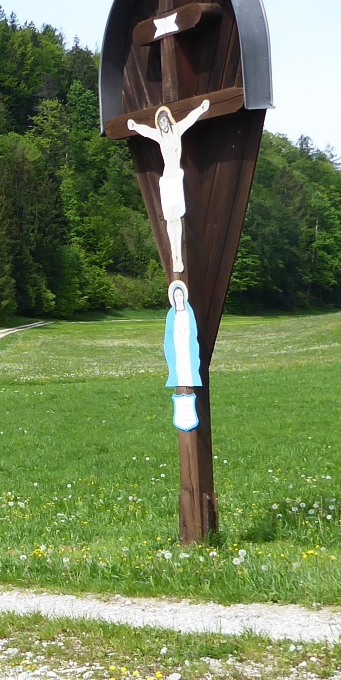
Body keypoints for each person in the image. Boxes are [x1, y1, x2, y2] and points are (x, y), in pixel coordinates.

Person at [126, 99, 208, 276]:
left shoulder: (177, 130)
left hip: (176, 177)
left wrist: (201, 109)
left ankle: (179, 256)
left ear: (169, 120)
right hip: (167, 181)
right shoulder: (160, 136)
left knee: (176, 219)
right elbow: (146, 132)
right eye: (160, 123)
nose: (163, 125)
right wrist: (134, 126)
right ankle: (175, 256)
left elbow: (189, 118)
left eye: (164, 121)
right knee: (170, 220)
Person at [164, 279, 202, 431]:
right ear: (173, 298)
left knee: (187, 362)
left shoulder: (188, 313)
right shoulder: (171, 315)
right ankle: (180, 378)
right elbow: (169, 335)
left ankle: (189, 377)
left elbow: (192, 332)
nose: (179, 298)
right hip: (177, 347)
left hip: (186, 346)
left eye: (181, 296)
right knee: (179, 364)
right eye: (176, 296)